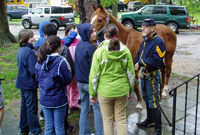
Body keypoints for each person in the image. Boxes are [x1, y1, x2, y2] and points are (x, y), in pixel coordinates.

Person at [89, 23, 135, 135]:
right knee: (121, 119)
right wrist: (130, 90)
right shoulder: (126, 51)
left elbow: (94, 76)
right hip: (122, 90)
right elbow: (131, 74)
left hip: (104, 93)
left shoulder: (99, 52)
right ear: (117, 35)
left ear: (105, 35)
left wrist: (92, 94)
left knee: (108, 121)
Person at [39, 23, 75, 134]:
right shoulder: (60, 62)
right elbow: (67, 79)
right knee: (59, 126)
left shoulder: (39, 61)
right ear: (59, 47)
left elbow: (37, 78)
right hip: (58, 98)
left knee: (48, 126)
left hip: (45, 98)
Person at [134, 18, 166, 135]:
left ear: (152, 28)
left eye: (145, 27)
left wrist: (141, 63)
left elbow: (157, 61)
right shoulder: (145, 40)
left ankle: (158, 129)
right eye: (142, 26)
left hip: (152, 76)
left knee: (154, 102)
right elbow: (139, 54)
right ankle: (150, 120)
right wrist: (135, 64)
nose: (142, 28)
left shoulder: (159, 42)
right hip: (144, 75)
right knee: (147, 99)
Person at [74, 23, 103, 135]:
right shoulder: (91, 47)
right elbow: (94, 68)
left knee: (84, 109)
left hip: (80, 82)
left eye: (95, 31)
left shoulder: (79, 44)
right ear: (86, 33)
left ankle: (83, 132)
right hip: (89, 84)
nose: (95, 34)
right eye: (92, 32)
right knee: (97, 109)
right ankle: (100, 132)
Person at [16, 29, 42, 135]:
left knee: (24, 106)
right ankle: (35, 130)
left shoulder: (21, 50)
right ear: (26, 38)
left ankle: (24, 127)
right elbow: (33, 70)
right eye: (31, 37)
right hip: (29, 83)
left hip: (22, 83)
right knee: (32, 108)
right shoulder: (28, 52)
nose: (34, 38)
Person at [65, 25, 81, 110]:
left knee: (75, 87)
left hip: (76, 68)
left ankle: (74, 103)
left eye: (74, 31)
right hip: (68, 68)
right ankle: (67, 105)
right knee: (67, 87)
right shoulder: (65, 43)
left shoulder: (79, 42)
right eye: (70, 32)